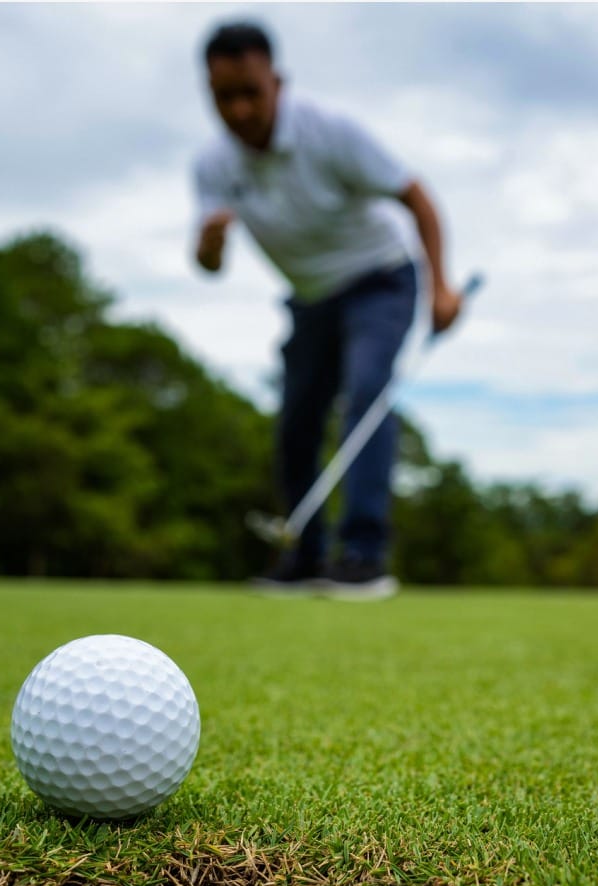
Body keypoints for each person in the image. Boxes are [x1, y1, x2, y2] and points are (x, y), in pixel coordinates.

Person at [192, 21, 464, 598]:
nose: (239, 110)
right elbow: (208, 267)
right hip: (311, 300)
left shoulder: (330, 131)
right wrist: (210, 247)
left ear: (277, 81)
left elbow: (419, 200)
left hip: (381, 280)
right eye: (223, 98)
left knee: (366, 394)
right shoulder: (213, 165)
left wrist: (441, 287)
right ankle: (305, 556)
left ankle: (364, 555)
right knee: (296, 421)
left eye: (250, 93)